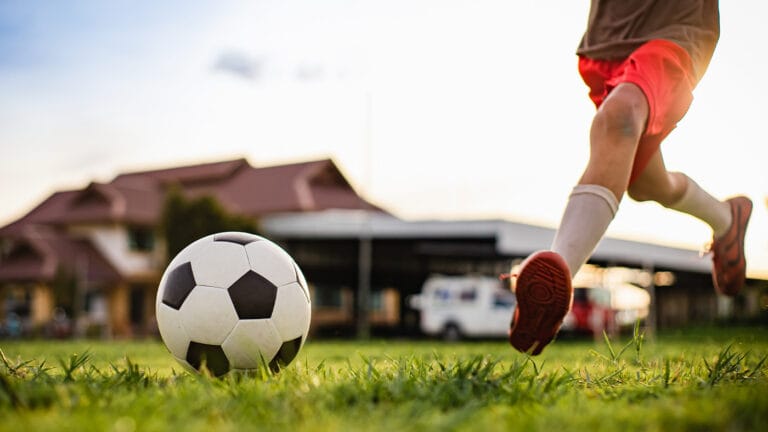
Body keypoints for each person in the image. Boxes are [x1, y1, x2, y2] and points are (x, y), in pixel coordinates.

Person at [509, 0, 753, 355]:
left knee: (620, 118)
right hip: (609, 39)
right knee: (645, 183)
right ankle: (727, 218)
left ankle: (556, 278)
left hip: (675, 27)